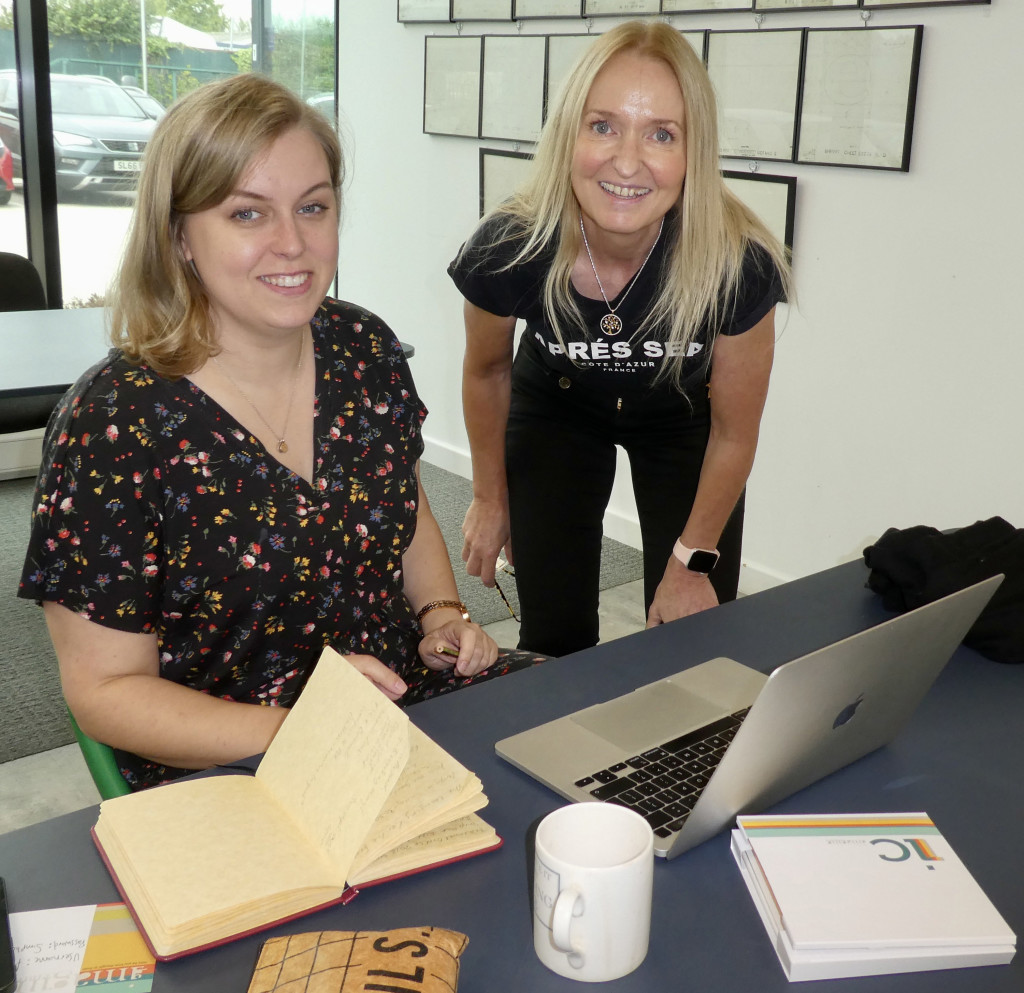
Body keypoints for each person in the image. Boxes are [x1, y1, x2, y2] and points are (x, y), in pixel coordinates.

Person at [19, 74, 541, 791]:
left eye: (313, 207)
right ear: (180, 235)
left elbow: (402, 500)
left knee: (583, 758)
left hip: (398, 706)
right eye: (247, 214)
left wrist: (441, 614)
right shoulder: (114, 425)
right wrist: (308, 726)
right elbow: (106, 692)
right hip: (235, 759)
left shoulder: (364, 349)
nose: (293, 243)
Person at [450, 21, 792, 658]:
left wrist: (691, 564)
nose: (627, 161)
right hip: (555, 406)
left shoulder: (736, 263)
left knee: (696, 634)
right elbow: (486, 372)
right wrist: (490, 497)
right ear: (568, 135)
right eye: (603, 126)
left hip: (683, 419)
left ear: (693, 153)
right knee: (554, 633)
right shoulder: (509, 248)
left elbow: (734, 433)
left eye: (661, 134)